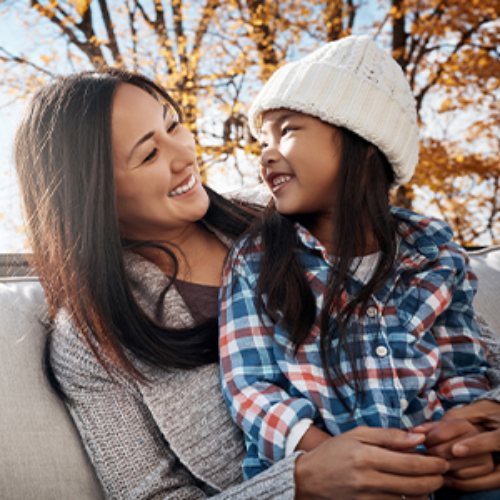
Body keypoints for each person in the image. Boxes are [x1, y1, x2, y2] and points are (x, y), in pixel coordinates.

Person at [12, 67, 499, 500]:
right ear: (93, 196)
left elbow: (460, 336)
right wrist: (300, 484)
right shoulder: (90, 340)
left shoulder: (283, 210)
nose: (184, 154)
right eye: (148, 155)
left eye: (173, 124)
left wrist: (486, 427)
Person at [219, 35, 500, 499]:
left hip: (436, 470)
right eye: (262, 140)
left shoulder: (432, 251)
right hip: (326, 477)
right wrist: (328, 458)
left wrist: (462, 437)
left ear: (363, 143)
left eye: (287, 130)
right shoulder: (257, 259)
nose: (265, 153)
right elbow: (251, 388)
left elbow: (463, 364)